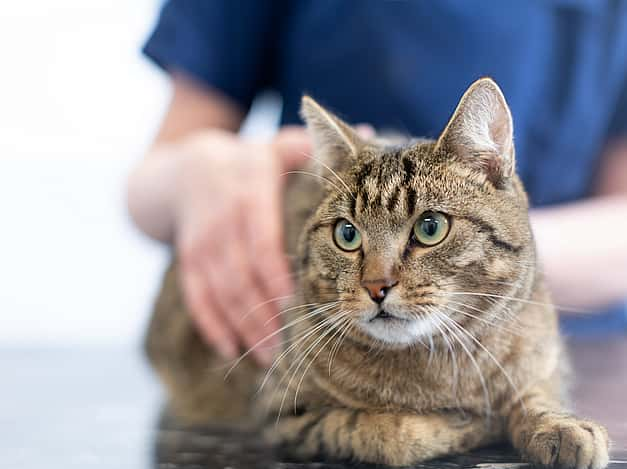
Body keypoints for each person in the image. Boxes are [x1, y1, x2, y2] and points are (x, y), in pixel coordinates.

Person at [128, 1, 627, 364]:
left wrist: (482, 265)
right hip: (318, 337)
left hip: (575, 350)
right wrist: (197, 165)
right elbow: (145, 190)